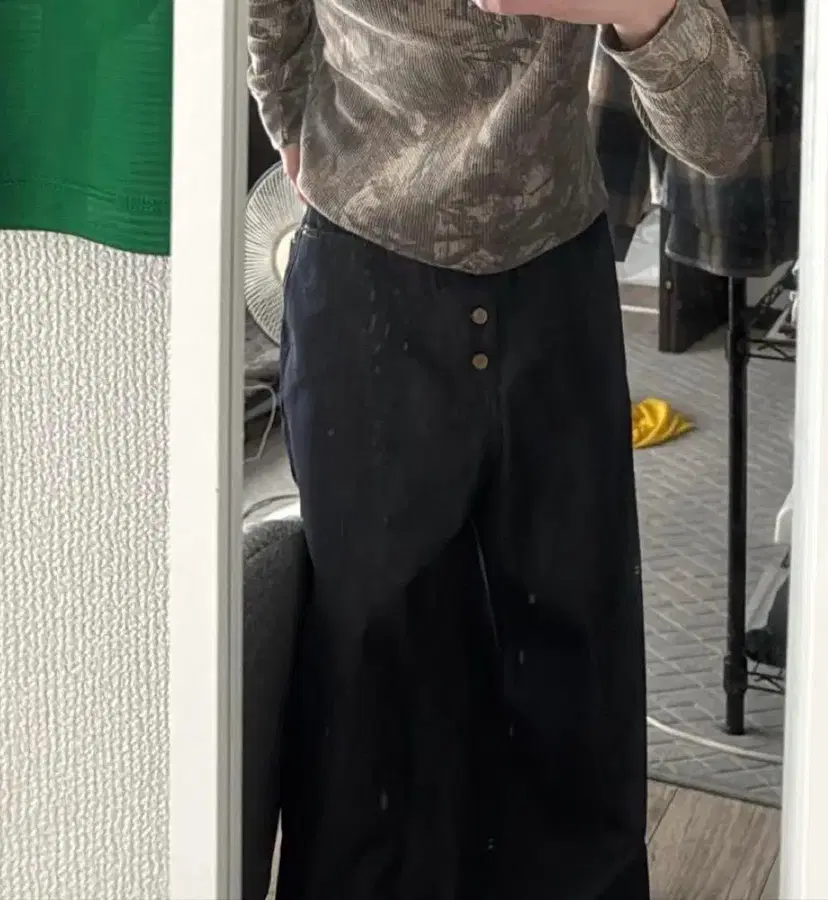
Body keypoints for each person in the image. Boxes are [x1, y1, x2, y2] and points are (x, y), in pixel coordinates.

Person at [248, 0, 765, 895]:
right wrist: (290, 114)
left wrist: (633, 9)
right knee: (372, 674)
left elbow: (724, 130)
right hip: (362, 266)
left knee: (575, 657)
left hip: (554, 273)